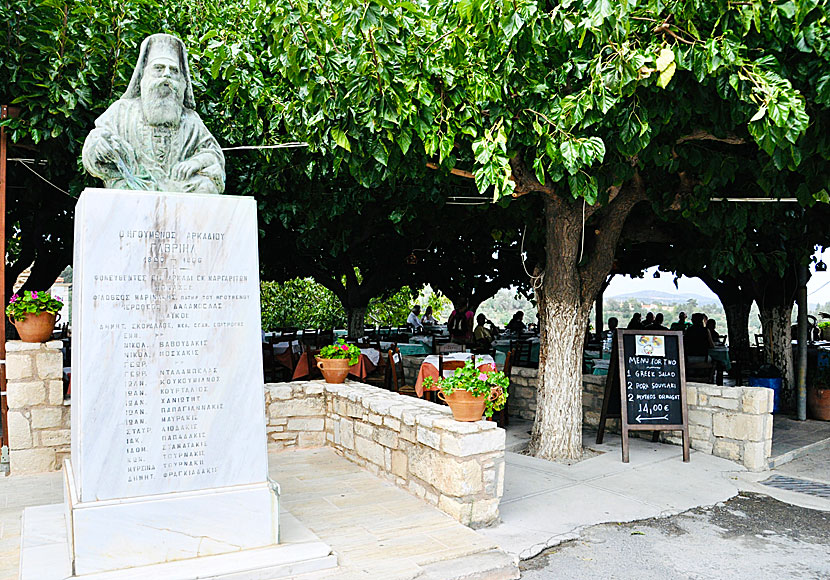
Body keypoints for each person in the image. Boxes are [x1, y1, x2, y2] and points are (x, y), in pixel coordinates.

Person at [82, 34, 225, 194]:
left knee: (206, 187)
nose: (167, 75)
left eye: (174, 70)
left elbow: (213, 154)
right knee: (123, 191)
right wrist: (100, 146)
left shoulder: (191, 120)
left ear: (182, 81)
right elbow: (96, 140)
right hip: (133, 184)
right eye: (159, 68)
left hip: (180, 187)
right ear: (144, 75)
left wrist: (196, 162)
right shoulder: (122, 111)